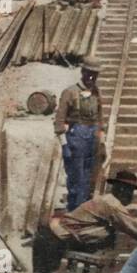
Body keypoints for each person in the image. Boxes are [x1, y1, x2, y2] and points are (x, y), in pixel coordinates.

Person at [54, 62, 102, 209]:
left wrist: (101, 139)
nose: (91, 77)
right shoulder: (70, 92)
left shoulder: (96, 92)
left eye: (95, 74)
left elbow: (100, 116)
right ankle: (74, 212)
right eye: (89, 73)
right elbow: (59, 121)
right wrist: (64, 145)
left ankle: (84, 213)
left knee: (88, 178)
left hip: (92, 138)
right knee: (76, 178)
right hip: (76, 138)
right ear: (82, 72)